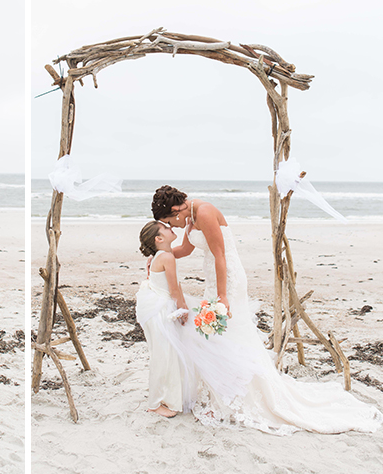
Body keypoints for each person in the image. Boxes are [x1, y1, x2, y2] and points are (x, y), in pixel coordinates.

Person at [152, 186, 383, 434]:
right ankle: (226, 393)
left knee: (227, 336)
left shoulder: (205, 212)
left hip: (227, 280)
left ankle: (237, 396)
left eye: (169, 221)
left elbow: (221, 256)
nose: (173, 227)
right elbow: (185, 250)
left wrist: (222, 296)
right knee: (218, 339)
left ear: (176, 209)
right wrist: (156, 257)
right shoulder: (191, 216)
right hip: (214, 279)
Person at [135, 220, 190, 418]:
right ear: (159, 239)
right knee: (163, 355)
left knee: (165, 354)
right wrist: (182, 308)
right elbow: (174, 288)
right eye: (166, 229)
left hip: (155, 307)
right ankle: (154, 404)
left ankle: (165, 397)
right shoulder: (166, 256)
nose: (171, 228)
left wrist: (189, 228)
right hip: (160, 310)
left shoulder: (160, 255)